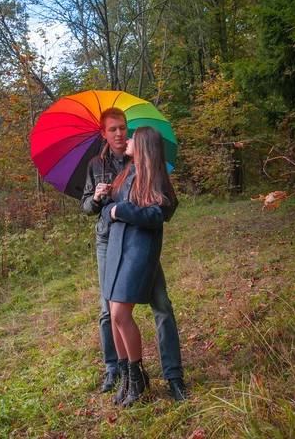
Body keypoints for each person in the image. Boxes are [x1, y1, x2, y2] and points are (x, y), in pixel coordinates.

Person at [81, 108, 187, 402]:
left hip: (139, 244)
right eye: (113, 129)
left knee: (161, 305)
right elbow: (89, 206)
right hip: (109, 240)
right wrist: (99, 197)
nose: (119, 134)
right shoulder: (96, 165)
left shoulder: (143, 161)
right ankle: (118, 371)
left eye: (123, 129)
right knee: (110, 311)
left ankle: (173, 375)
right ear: (103, 133)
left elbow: (162, 208)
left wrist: (123, 208)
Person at [101, 126, 178, 406]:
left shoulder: (155, 177)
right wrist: (105, 198)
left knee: (121, 313)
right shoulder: (126, 173)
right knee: (113, 313)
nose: (128, 139)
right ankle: (127, 377)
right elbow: (108, 210)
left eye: (132, 137)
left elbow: (157, 215)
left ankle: (138, 374)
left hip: (138, 250)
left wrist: (121, 210)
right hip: (116, 248)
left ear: (144, 145)